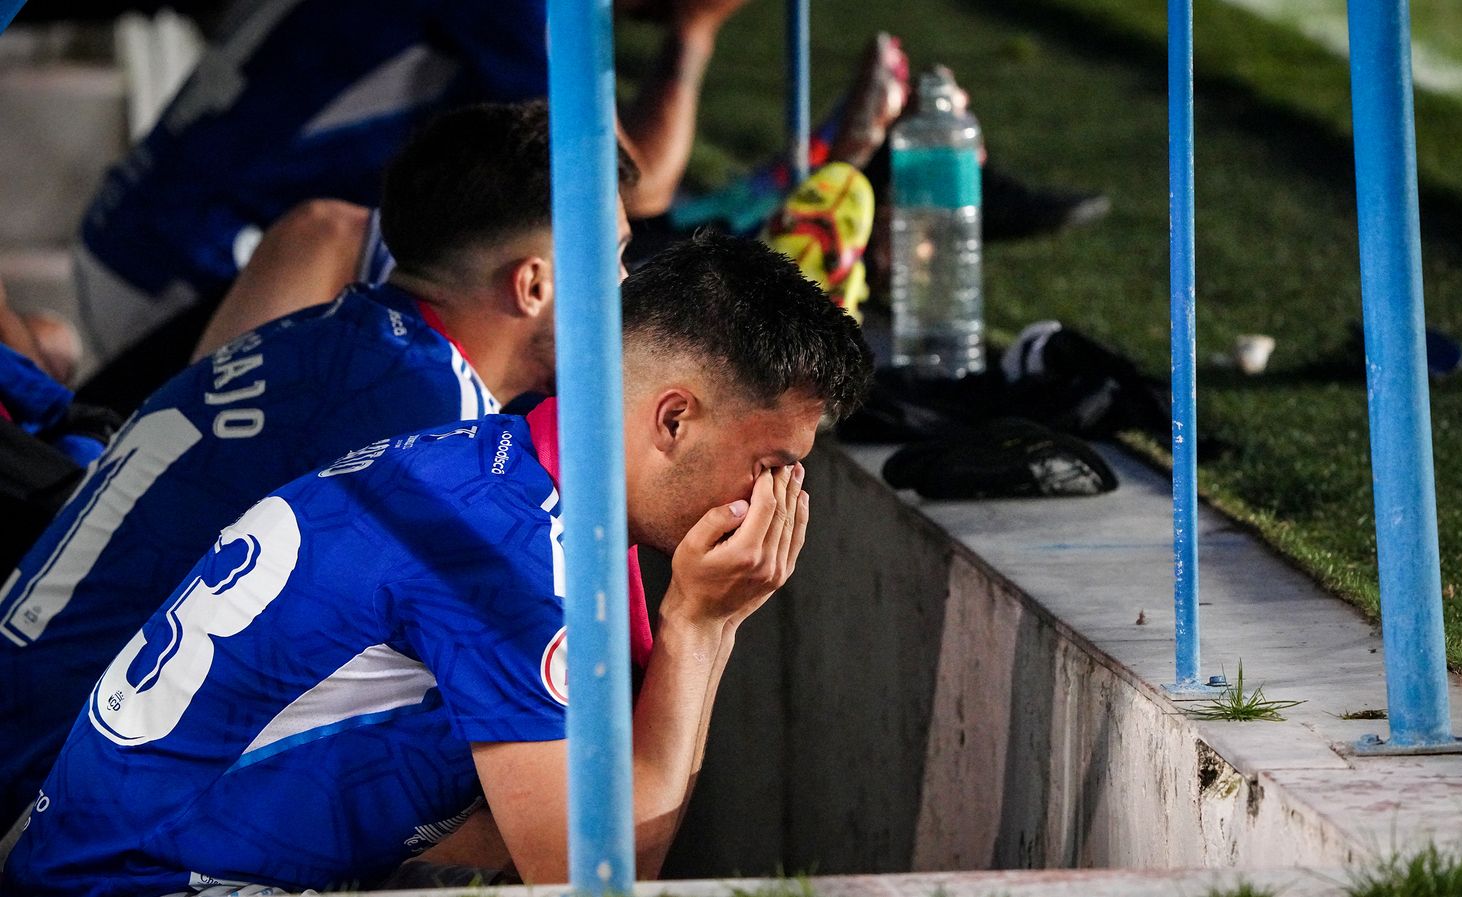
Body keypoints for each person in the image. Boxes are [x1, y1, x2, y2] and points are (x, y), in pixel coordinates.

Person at [1, 233, 874, 894]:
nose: (779, 500)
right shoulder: (509, 556)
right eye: (772, 465)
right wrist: (704, 624)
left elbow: (491, 829)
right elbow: (601, 872)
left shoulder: (497, 464)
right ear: (673, 419)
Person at [0, 101, 635, 828]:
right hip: (49, 805)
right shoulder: (431, 433)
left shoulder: (324, 339)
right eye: (614, 259)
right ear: (533, 285)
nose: (628, 290)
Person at [71, 0, 749, 414]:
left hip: (137, 230)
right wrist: (696, 30)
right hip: (183, 264)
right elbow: (630, 185)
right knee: (368, 255)